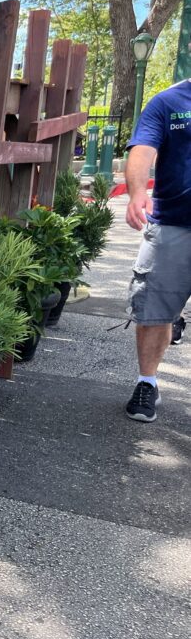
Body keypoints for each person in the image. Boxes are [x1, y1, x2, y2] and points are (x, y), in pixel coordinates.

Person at [124, 77, 191, 422]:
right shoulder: (167, 102)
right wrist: (137, 192)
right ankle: (146, 382)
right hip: (173, 225)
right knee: (154, 311)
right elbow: (143, 149)